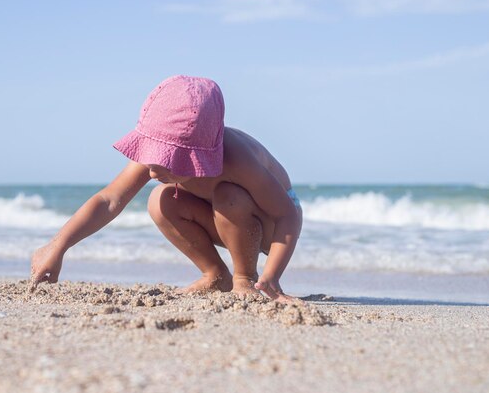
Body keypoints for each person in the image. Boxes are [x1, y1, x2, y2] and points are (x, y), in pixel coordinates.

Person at [30, 75, 303, 302]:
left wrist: (274, 276)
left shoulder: (236, 157)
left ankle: (244, 277)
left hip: (270, 228)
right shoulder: (154, 161)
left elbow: (287, 215)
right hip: (222, 219)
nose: (151, 171)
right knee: (160, 200)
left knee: (228, 196)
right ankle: (216, 274)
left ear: (197, 154)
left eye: (167, 161)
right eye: (152, 158)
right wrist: (57, 247)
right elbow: (109, 199)